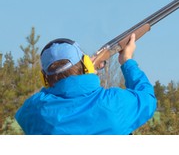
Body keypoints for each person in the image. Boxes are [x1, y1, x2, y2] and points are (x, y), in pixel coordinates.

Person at [15, 33, 157, 134]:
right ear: (86, 65)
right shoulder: (113, 103)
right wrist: (127, 61)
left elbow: (31, 108)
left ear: (44, 78)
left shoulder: (35, 109)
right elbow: (147, 98)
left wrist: (82, 74)